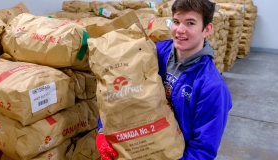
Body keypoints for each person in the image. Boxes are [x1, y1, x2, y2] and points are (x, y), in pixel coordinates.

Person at [95, 0, 232, 159]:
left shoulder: (212, 87)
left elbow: (202, 149)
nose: (180, 30)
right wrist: (103, 129)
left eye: (190, 23)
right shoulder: (155, 52)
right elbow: (115, 93)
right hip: (134, 146)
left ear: (207, 29)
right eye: (176, 22)